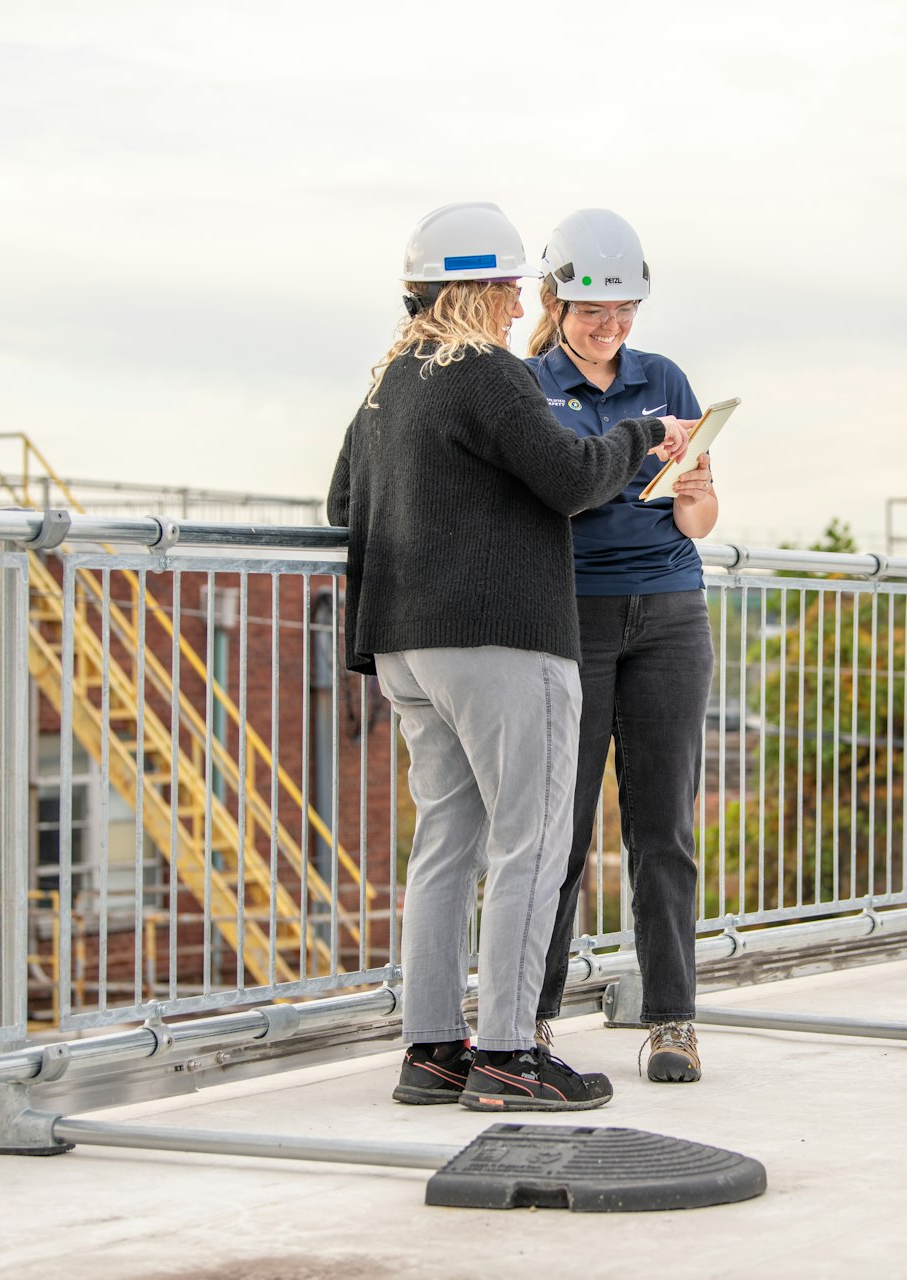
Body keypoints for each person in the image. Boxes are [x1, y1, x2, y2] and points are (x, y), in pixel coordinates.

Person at [326, 201, 690, 1112]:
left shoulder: (388, 381)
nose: (519, 296)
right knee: (531, 842)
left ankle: (432, 1049)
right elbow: (570, 481)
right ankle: (506, 1057)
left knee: (445, 843)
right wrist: (642, 437)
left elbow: (341, 503)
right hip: (500, 638)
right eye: (513, 283)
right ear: (483, 289)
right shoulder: (488, 372)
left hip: (404, 646)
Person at [525, 209, 719, 1083]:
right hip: (574, 617)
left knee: (662, 829)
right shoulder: (528, 387)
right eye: (595, 313)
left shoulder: (664, 376)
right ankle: (528, 1020)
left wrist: (696, 484)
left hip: (671, 613)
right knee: (558, 835)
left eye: (625, 312)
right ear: (556, 301)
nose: (611, 329)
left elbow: (701, 522)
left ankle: (672, 1020)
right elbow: (552, 500)